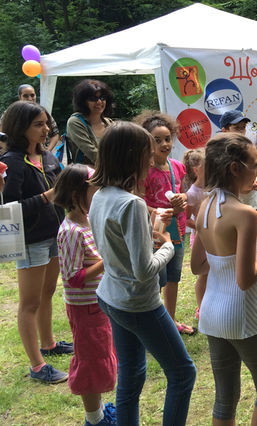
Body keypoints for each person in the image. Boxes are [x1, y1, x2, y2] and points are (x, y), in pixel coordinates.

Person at [89, 121, 196, 425]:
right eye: (147, 154)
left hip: (111, 297)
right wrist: (168, 248)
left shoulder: (100, 195)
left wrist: (152, 234)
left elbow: (121, 246)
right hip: (137, 303)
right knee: (183, 373)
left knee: (132, 374)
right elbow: (144, 270)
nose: (152, 161)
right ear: (132, 157)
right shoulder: (132, 204)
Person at [191, 132, 257, 425]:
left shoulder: (204, 204)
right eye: (255, 165)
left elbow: (198, 265)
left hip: (211, 313)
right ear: (235, 168)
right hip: (242, 315)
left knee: (225, 397)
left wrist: (235, 253)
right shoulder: (245, 213)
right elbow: (246, 279)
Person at [0, 101, 70, 384]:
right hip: (30, 240)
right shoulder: (13, 163)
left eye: (46, 123)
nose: (45, 130)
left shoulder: (49, 156)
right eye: (38, 125)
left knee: (47, 293)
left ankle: (49, 344)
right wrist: (45, 197)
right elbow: (8, 208)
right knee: (29, 303)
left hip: (55, 234)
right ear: (21, 128)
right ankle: (37, 366)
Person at [54, 164, 117, 426]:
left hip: (98, 304)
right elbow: (73, 278)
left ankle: (99, 412)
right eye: (95, 190)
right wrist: (108, 260)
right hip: (85, 309)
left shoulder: (88, 221)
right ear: (76, 194)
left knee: (100, 357)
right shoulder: (71, 232)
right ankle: (94, 419)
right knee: (91, 363)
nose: (99, 195)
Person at [134, 111, 195, 336]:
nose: (164, 144)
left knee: (173, 276)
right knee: (156, 279)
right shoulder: (143, 171)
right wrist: (158, 212)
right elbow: (137, 201)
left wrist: (184, 199)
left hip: (176, 231)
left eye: (167, 138)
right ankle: (154, 322)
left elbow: (186, 193)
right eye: (156, 140)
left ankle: (170, 320)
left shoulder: (177, 166)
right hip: (154, 233)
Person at [66, 79, 114, 165]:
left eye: (102, 98)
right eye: (93, 98)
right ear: (83, 101)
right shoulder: (75, 122)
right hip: (86, 175)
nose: (99, 102)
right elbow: (92, 153)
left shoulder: (109, 123)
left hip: (109, 173)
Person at [183, 148, 206, 320]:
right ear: (197, 170)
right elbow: (185, 219)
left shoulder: (213, 187)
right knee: (203, 275)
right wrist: (200, 226)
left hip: (215, 237)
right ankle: (201, 309)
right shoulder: (192, 193)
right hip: (200, 239)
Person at [220, 110, 257, 210]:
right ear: (224, 130)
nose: (241, 131)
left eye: (243, 127)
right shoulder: (219, 153)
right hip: (231, 207)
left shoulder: (249, 149)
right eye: (237, 128)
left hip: (251, 204)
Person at [17, 84, 60, 151]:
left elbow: (55, 134)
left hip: (42, 155)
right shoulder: (12, 114)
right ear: (19, 97)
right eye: (25, 96)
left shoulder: (43, 113)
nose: (30, 99)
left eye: (32, 95)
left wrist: (47, 152)